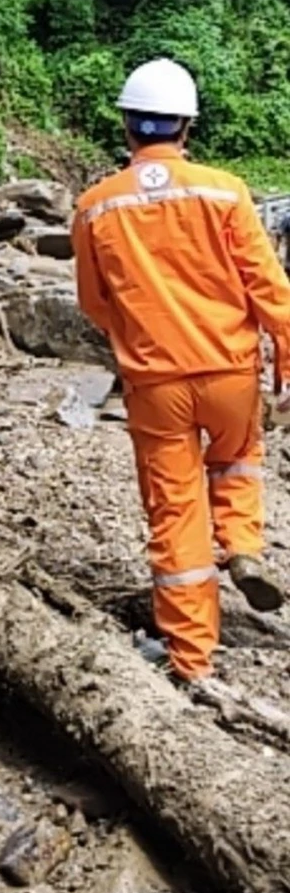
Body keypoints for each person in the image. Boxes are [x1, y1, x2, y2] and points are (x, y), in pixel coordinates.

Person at [72, 58, 290, 685]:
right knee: (237, 459)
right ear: (187, 126)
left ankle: (192, 659)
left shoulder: (95, 206)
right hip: (230, 372)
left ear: (127, 125)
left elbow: (94, 302)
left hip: (156, 382)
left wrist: (137, 336)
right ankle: (243, 545)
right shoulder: (225, 192)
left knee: (174, 509)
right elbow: (270, 288)